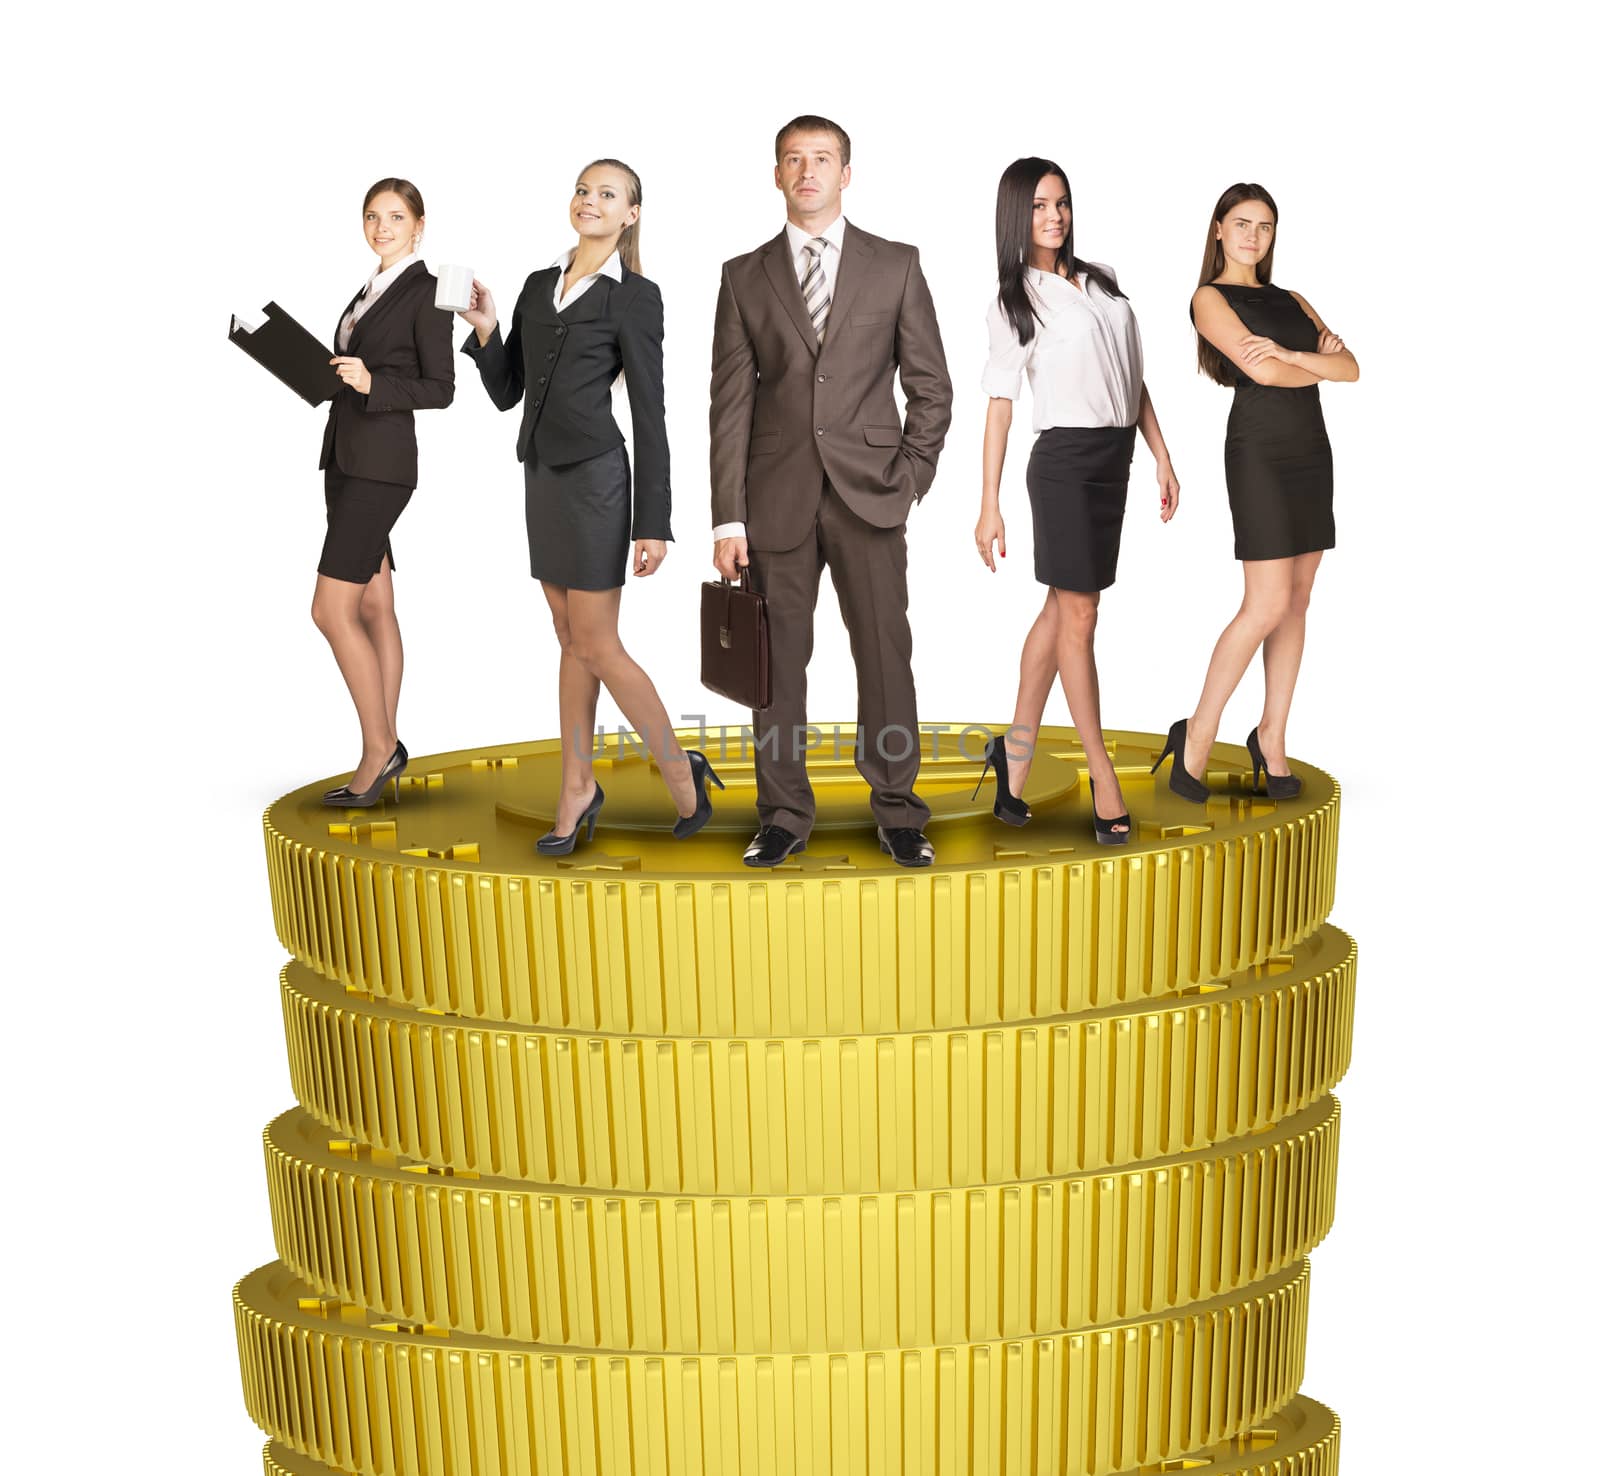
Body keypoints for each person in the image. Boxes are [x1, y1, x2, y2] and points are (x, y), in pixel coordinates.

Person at [710, 114, 954, 869]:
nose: (807, 170)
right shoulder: (743, 276)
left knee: (884, 655)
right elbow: (730, 402)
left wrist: (909, 477)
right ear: (776, 175)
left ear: (846, 174)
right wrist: (728, 516)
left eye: (822, 158)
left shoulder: (896, 265)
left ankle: (899, 811)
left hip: (872, 494)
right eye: (793, 159)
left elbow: (931, 387)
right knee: (775, 669)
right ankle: (783, 814)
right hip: (774, 500)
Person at [459, 159, 720, 854]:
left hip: (600, 482)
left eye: (607, 194)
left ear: (631, 214)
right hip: (542, 478)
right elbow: (508, 388)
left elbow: (650, 413)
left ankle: (679, 770)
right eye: (582, 190)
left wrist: (654, 521)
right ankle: (578, 784)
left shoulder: (636, 298)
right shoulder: (538, 284)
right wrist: (486, 327)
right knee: (569, 638)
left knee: (598, 641)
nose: (590, 201)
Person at [973, 159, 1180, 844]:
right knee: (1081, 616)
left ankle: (1016, 755)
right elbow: (1001, 406)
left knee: (1060, 610)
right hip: (1062, 464)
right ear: (1016, 216)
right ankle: (1102, 775)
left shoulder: (1102, 282)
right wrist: (989, 503)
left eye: (1061, 202)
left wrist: (1161, 455)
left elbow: (1133, 379)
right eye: (1038, 206)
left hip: (1115, 461)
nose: (1054, 216)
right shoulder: (1014, 301)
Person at [1153, 183, 1359, 801]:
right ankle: (1197, 732)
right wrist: (1308, 362)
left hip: (1310, 450)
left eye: (1264, 226)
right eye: (1241, 223)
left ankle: (1271, 737)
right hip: (1261, 452)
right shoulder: (1208, 298)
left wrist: (1295, 354)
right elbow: (1262, 371)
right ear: (1218, 229)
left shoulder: (1292, 299)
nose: (1252, 236)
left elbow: (1351, 369)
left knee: (1296, 603)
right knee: (1264, 604)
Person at [315, 178, 454, 807]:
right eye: (372, 216)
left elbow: (441, 387)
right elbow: (366, 368)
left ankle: (380, 748)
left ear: (419, 225)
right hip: (346, 455)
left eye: (395, 217)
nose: (382, 227)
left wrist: (373, 381)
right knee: (373, 604)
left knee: (329, 609)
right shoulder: (368, 290)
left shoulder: (427, 291)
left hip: (381, 464)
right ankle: (385, 741)